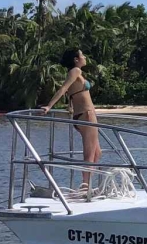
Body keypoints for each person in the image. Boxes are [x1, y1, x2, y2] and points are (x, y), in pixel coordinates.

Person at [40, 47, 102, 194]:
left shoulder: (75, 73)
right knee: (90, 154)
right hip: (87, 115)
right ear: (76, 59)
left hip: (82, 114)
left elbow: (71, 92)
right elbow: (63, 89)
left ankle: (87, 184)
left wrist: (70, 106)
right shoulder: (76, 71)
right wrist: (49, 106)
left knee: (97, 152)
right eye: (82, 55)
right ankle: (86, 187)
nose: (85, 57)